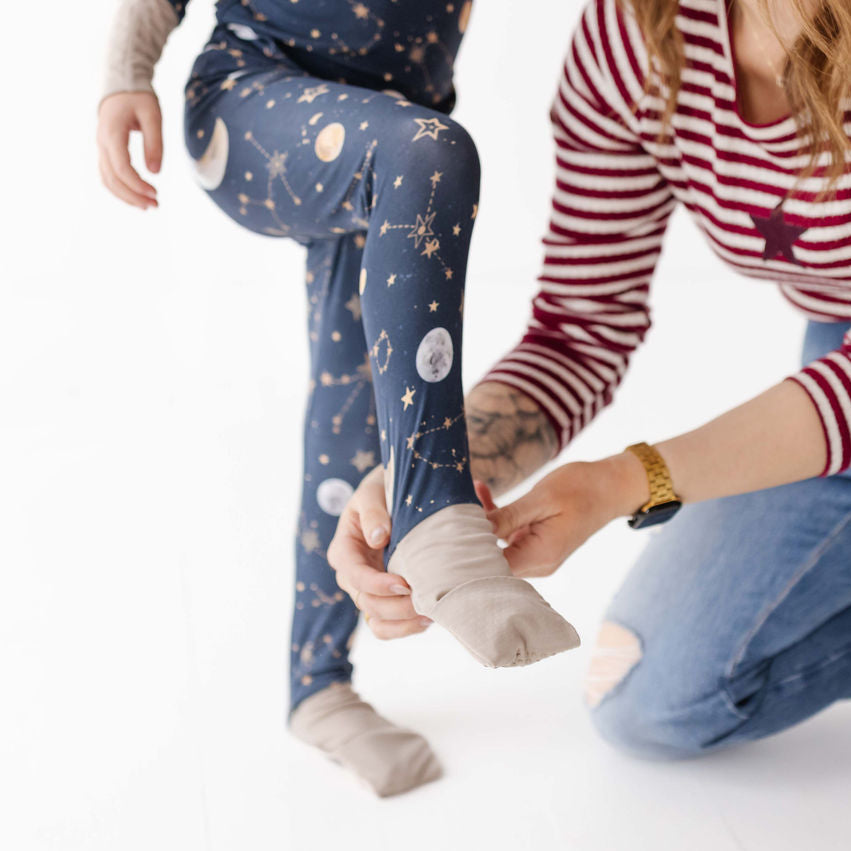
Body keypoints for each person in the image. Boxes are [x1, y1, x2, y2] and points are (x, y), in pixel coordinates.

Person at [330, 0, 851, 765]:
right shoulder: (636, 31)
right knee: (644, 696)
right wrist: (426, 476)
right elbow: (582, 324)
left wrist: (627, 480)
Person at [96, 0, 583, 797]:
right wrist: (126, 74)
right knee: (430, 154)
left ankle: (316, 684)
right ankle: (436, 520)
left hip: (384, 130)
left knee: (355, 421)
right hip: (254, 98)